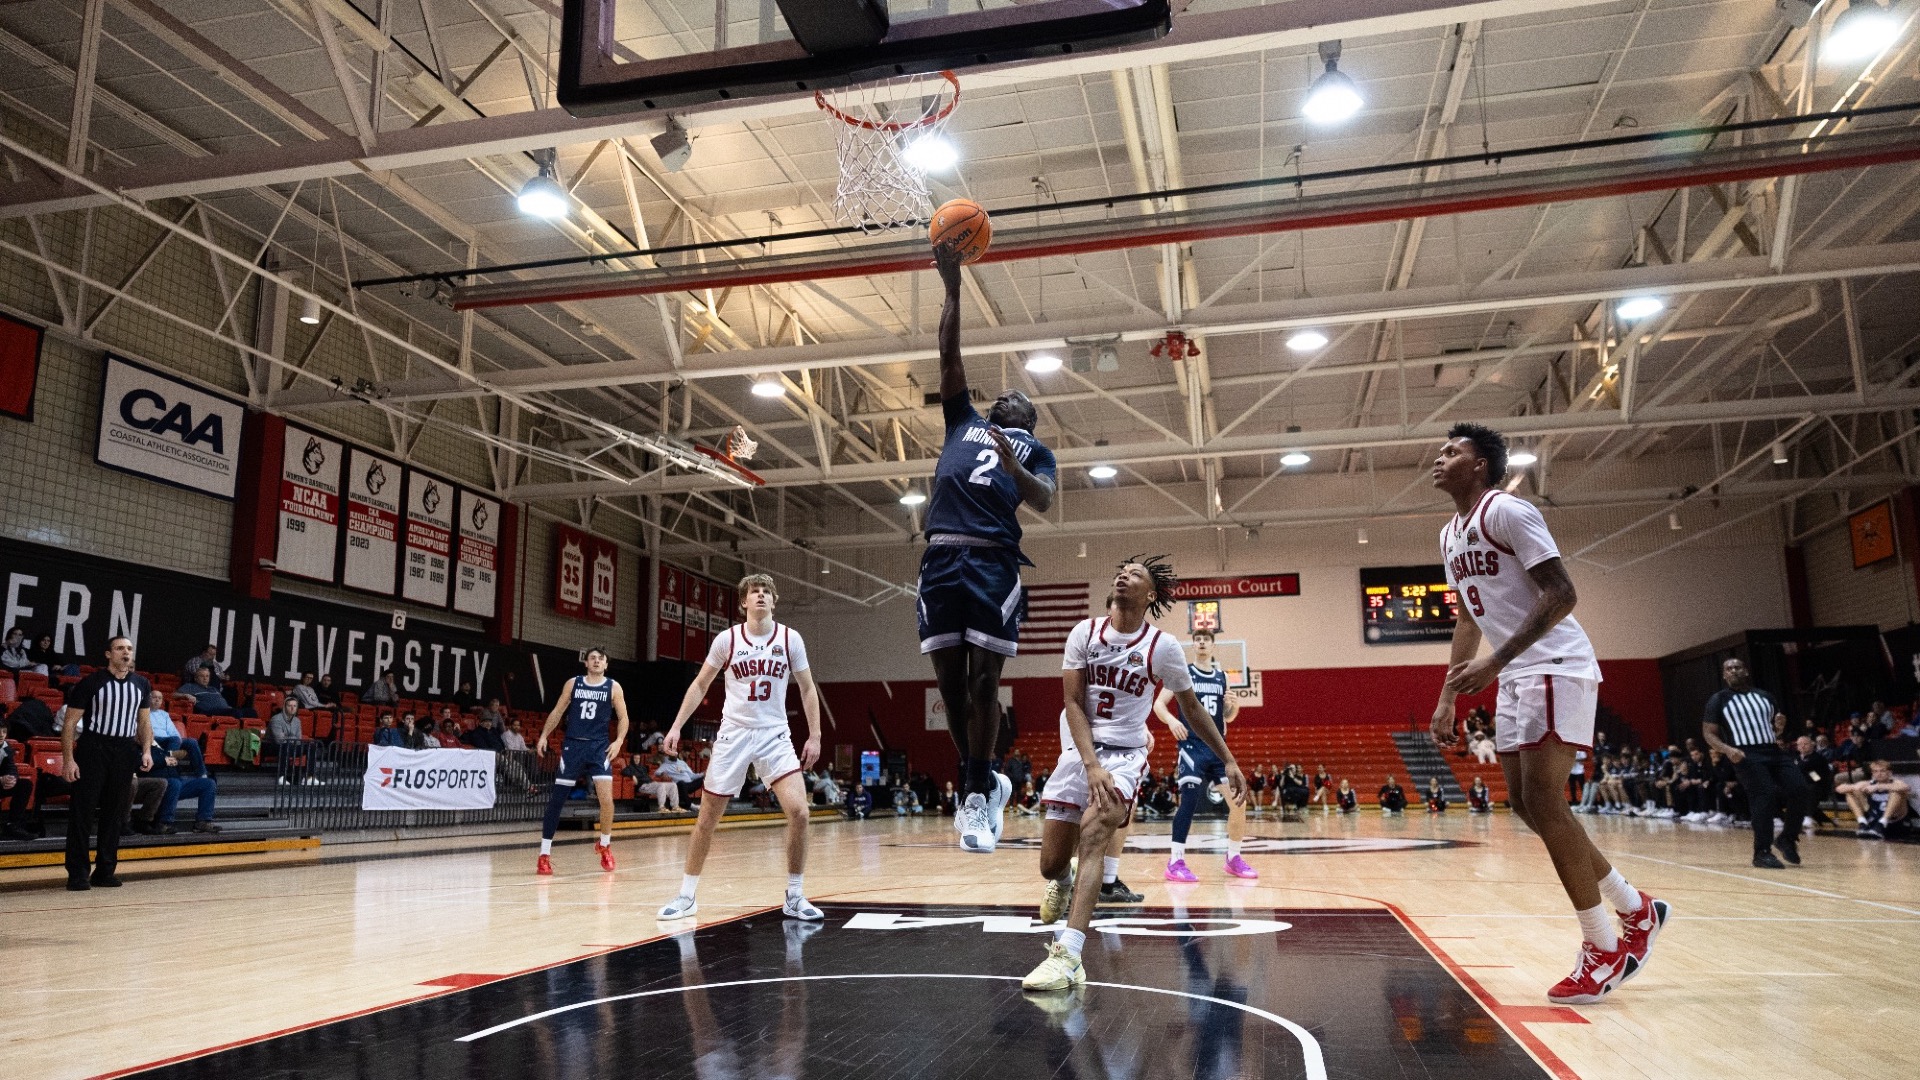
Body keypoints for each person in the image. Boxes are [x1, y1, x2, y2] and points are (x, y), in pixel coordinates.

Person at [1429, 422, 1666, 1005]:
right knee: (1528, 807)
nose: (1439, 457)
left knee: (1544, 801)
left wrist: (1498, 660)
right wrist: (1449, 695)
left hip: (1555, 663)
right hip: (1514, 672)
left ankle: (1603, 945)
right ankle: (1636, 908)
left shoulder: (1508, 513)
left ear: (1481, 464)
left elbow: (1562, 593)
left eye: (1452, 450)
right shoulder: (1448, 534)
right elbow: (1466, 619)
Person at [1023, 556, 1246, 992]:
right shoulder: (1083, 633)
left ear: (1151, 595)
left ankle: (1068, 955)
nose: (1124, 574)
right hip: (1079, 749)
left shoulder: (1162, 648)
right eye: (1121, 569)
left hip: (1126, 755)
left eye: (1136, 573)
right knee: (1051, 865)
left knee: (1094, 835)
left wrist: (1230, 757)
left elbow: (1193, 709)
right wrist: (1089, 765)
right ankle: (1063, 883)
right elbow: (1072, 703)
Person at [918, 242, 1058, 855]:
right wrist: (952, 287)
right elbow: (948, 351)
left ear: (1030, 418)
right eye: (1001, 396)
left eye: (1017, 399)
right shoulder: (962, 420)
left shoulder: (1034, 450)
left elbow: (1047, 500)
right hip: (940, 557)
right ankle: (987, 779)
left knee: (983, 684)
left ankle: (973, 793)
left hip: (992, 562)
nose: (1006, 397)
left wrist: (1014, 466)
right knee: (947, 686)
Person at [657, 575, 825, 922]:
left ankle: (795, 895)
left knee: (800, 812)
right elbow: (701, 683)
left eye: (766, 592)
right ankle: (687, 896)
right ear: (743, 603)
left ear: (774, 602)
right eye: (754, 592)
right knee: (706, 820)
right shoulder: (727, 639)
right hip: (733, 734)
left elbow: (808, 689)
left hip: (774, 733)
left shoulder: (790, 639)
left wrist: (815, 735)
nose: (760, 595)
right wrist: (675, 726)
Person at [1155, 629, 1253, 883]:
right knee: (1188, 801)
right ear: (1193, 645)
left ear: (1213, 645)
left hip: (1217, 748)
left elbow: (1227, 717)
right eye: (1197, 640)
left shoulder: (1222, 677)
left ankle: (1233, 858)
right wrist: (1171, 720)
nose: (1201, 643)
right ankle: (1175, 860)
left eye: (1205, 640)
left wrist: (1235, 705)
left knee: (1239, 803)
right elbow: (1159, 705)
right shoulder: (1183, 673)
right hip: (1191, 747)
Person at [58, 636, 153, 890]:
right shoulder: (91, 683)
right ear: (108, 654)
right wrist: (69, 760)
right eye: (120, 648)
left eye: (130, 649)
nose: (126, 652)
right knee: (83, 812)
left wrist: (146, 750)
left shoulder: (142, 684)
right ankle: (77, 873)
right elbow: (68, 724)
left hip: (124, 752)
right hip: (93, 749)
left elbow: (143, 722)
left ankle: (105, 871)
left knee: (115, 814)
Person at [1701, 657, 1811, 867]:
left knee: (1800, 789)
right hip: (1745, 754)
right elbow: (1708, 733)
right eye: (1729, 669)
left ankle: (1787, 838)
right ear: (1724, 675)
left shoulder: (1765, 696)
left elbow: (1774, 729)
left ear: (1746, 671)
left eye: (1738, 667)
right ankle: (1761, 851)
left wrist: (1780, 728)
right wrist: (1727, 750)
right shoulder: (1718, 699)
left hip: (1773, 750)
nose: (1733, 671)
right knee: (1764, 795)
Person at [532, 647, 631, 875]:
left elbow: (624, 717)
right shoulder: (573, 683)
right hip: (573, 745)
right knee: (557, 801)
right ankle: (544, 855)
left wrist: (618, 741)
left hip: (599, 747)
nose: (596, 661)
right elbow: (558, 711)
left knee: (607, 801)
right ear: (586, 663)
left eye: (601, 659)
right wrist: (544, 736)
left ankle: (604, 846)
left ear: (606, 665)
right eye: (592, 658)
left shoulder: (613, 687)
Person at [144, 690, 218, 834]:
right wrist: (168, 758)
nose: (157, 700)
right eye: (154, 697)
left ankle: (203, 821)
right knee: (174, 783)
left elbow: (175, 736)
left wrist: (171, 753)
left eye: (160, 698)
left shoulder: (164, 716)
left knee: (209, 784)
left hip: (173, 773)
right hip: (158, 782)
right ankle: (164, 823)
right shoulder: (143, 743)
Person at [1837, 760, 1911, 838]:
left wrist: (1878, 786)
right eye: (1875, 771)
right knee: (1850, 793)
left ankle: (1883, 821)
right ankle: (1862, 822)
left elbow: (1906, 787)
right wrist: (1855, 787)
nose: (1879, 774)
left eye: (1882, 771)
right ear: (1872, 774)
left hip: (1896, 822)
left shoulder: (1896, 783)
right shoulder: (1868, 783)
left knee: (1896, 792)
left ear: (1889, 773)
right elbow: (1839, 789)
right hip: (1876, 821)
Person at [267, 698, 314, 786]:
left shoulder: (297, 721)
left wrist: (289, 738)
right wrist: (292, 739)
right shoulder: (276, 719)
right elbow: (279, 740)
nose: (292, 708)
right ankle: (281, 777)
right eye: (289, 706)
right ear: (284, 707)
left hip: (290, 746)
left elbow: (299, 739)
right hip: (273, 747)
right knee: (286, 745)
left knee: (311, 746)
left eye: (294, 706)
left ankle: (309, 777)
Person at [0, 731, 36, 839]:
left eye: (4, 731)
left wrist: (11, 779)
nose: (2, 735)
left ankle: (12, 826)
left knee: (24, 785)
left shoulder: (6, 747)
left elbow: (12, 768)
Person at [1796, 735, 1836, 826]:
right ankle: (1779, 817)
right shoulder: (1796, 758)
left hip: (1818, 787)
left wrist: (1805, 770)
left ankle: (1808, 817)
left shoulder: (1818, 759)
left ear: (1812, 745)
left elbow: (1817, 778)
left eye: (1805, 744)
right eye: (1800, 744)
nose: (1802, 746)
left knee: (1810, 789)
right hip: (1798, 785)